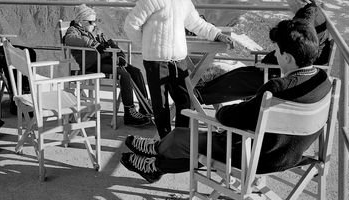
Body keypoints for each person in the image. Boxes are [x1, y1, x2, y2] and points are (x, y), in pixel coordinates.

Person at [120, 17, 332, 183]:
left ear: (288, 58)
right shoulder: (323, 82)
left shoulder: (276, 89)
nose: (275, 56)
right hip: (290, 154)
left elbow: (232, 118)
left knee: (181, 140)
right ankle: (155, 156)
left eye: (276, 51)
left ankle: (155, 161)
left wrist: (223, 113)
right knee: (188, 141)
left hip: (256, 156)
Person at [124, 0, 234, 139]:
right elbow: (131, 24)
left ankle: (181, 138)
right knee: (160, 104)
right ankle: (165, 140)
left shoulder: (183, 0)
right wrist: (147, 47)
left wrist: (217, 34)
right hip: (156, 62)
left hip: (179, 60)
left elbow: (197, 23)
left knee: (185, 100)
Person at [194, 0, 332, 105]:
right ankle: (200, 93)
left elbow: (292, 49)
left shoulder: (303, 22)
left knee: (238, 80)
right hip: (294, 69)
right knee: (239, 74)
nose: (287, 1)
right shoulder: (314, 13)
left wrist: (266, 63)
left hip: (282, 72)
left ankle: (198, 96)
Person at [63, 4, 151, 127]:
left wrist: (120, 54)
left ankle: (144, 106)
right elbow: (69, 39)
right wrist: (92, 43)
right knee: (124, 75)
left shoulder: (95, 31)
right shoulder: (74, 30)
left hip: (105, 61)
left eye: (94, 21)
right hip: (92, 65)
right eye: (91, 21)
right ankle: (129, 113)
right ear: (81, 21)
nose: (94, 24)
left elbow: (110, 42)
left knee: (135, 71)